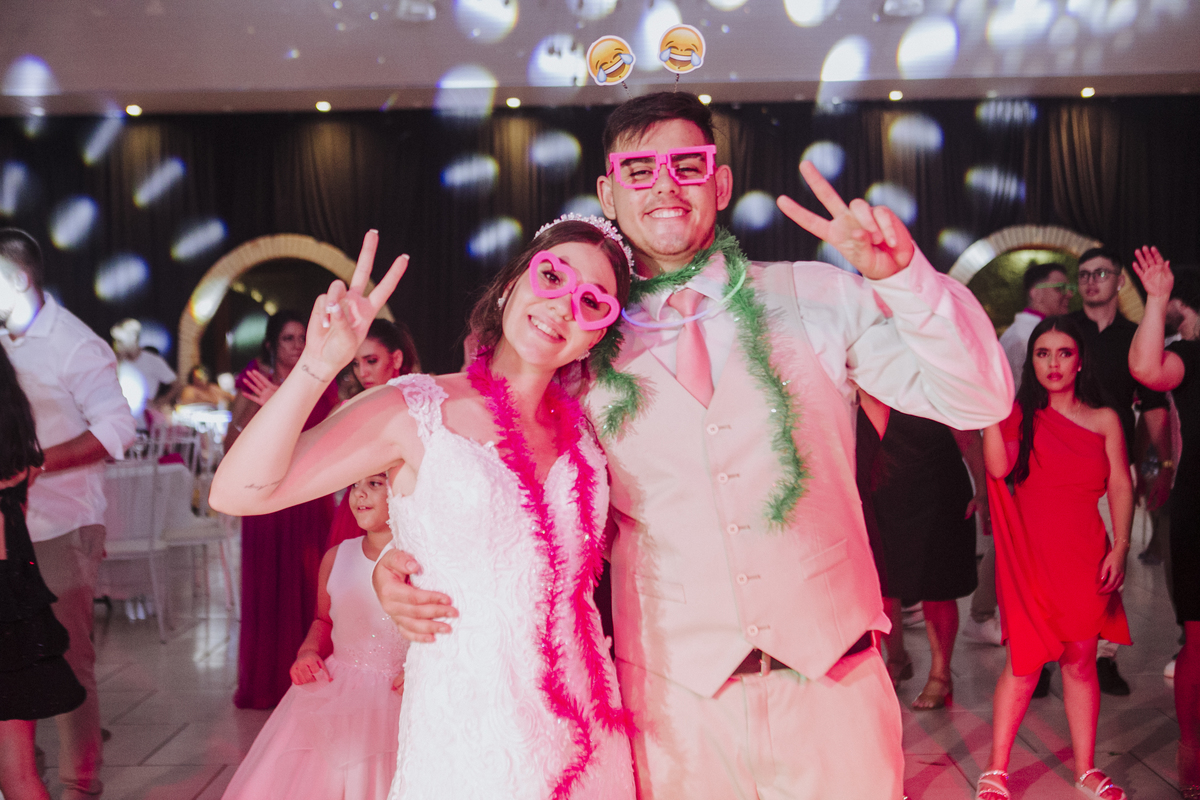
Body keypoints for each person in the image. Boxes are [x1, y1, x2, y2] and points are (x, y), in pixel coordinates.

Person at [375, 92, 1013, 799]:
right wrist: (393, 559)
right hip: (674, 707)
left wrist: (907, 280)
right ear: (607, 194)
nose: (665, 186)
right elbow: (489, 470)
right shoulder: (577, 339)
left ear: (721, 183)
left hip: (836, 685)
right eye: (639, 170)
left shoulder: (816, 296)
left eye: (687, 165)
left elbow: (979, 399)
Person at [211, 221, 636, 799]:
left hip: (588, 723)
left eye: (591, 301)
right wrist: (317, 365)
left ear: (595, 336)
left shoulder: (588, 431)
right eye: (552, 276)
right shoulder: (414, 409)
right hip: (466, 728)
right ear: (510, 286)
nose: (564, 305)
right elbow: (237, 492)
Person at [0, 228, 138, 800]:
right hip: (9, 528)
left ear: (18, 279)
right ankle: (20, 774)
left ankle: (79, 783)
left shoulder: (74, 342)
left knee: (66, 655)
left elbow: (118, 428)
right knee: (12, 659)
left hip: (63, 522)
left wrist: (35, 465)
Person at [977, 314, 1132, 800]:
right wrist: (990, 412)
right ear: (1032, 362)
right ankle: (996, 769)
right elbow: (997, 466)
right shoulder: (1018, 414)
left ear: (1080, 360)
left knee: (1081, 662)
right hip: (1030, 560)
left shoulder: (1104, 419)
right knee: (1024, 664)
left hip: (1085, 555)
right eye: (1043, 354)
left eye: (1064, 353)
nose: (1053, 363)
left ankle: (1085, 769)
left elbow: (1120, 484)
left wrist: (1122, 546)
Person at [222, 472, 408, 800]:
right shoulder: (337, 557)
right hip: (339, 686)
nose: (359, 494)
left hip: (398, 692)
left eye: (375, 484)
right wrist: (308, 652)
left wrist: (422, 669)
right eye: (354, 485)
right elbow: (323, 620)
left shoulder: (419, 564)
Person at [1068, 246, 1171, 696]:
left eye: (1101, 273)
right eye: (1084, 274)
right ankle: (1049, 655)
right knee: (1056, 561)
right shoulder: (1062, 330)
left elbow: (1153, 404)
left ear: (1119, 280)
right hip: (1061, 462)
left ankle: (1104, 656)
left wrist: (1162, 464)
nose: (1092, 281)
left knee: (1112, 558)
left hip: (1114, 464)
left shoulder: (1135, 336)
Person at [226, 310, 340, 709]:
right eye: (289, 338)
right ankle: (268, 682)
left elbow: (326, 439)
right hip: (265, 498)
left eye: (302, 338)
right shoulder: (253, 382)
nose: (296, 346)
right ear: (272, 344)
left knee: (309, 585)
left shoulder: (319, 381)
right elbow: (232, 443)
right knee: (266, 588)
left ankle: (310, 673)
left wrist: (285, 404)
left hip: (306, 494)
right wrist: (257, 411)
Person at [965, 263, 1076, 655]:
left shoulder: (1031, 332)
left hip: (1030, 448)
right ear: (1034, 292)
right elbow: (1014, 401)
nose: (1067, 293)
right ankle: (985, 614)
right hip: (1021, 449)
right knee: (1013, 536)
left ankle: (995, 614)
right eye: (1058, 286)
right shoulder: (1024, 336)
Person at [1129, 246, 1200, 799]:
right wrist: (1155, 300)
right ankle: (1192, 752)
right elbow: (1146, 370)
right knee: (1198, 637)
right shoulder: (1192, 355)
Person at [0, 344, 87, 800]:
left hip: (13, 598)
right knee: (18, 771)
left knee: (16, 772)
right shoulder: (17, 441)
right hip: (15, 595)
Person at [871, 406, 987, 710]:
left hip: (939, 490)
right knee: (883, 588)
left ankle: (941, 674)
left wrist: (982, 489)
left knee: (938, 587)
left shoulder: (937, 382)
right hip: (882, 491)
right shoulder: (871, 381)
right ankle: (896, 659)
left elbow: (968, 438)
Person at [326, 320, 421, 550]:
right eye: (356, 363)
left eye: (371, 361)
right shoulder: (348, 409)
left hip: (410, 514)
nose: (362, 372)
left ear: (396, 359)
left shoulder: (422, 405)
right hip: (360, 514)